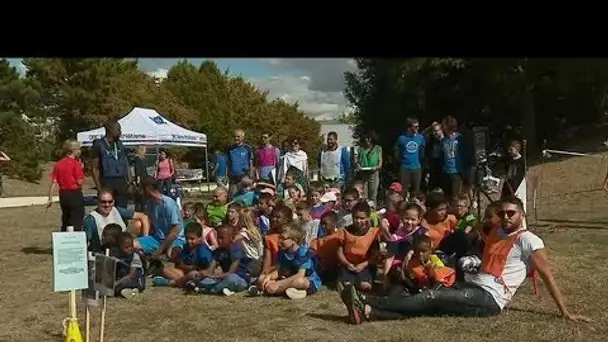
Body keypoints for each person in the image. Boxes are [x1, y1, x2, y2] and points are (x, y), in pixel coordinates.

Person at [338, 196, 592, 324]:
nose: (505, 217)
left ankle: (366, 300)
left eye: (511, 213)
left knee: (431, 298)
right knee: (432, 304)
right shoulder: (496, 231)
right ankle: (369, 313)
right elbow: (484, 222)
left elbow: (547, 275)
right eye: (502, 213)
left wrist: (565, 312)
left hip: (490, 298)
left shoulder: (530, 240)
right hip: (474, 285)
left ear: (522, 214)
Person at [255, 224, 322, 299]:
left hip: (306, 280)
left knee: (299, 281)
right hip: (288, 278)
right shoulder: (283, 252)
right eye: (280, 238)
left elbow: (300, 275)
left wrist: (278, 284)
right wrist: (268, 277)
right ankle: (292, 291)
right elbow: (281, 270)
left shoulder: (303, 253)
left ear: (294, 240)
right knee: (261, 278)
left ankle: (274, 290)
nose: (280, 241)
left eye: (283, 238)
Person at [83, 189, 150, 252]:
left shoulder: (117, 210)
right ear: (97, 202)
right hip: (103, 250)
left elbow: (143, 216)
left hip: (122, 245)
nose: (107, 205)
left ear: (114, 201)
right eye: (103, 202)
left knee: (138, 224)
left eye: (110, 201)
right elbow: (84, 241)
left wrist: (145, 239)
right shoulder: (91, 219)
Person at [135, 177, 185, 261]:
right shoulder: (150, 204)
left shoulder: (169, 204)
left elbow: (174, 232)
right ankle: (152, 258)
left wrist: (159, 250)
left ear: (148, 189)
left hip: (175, 239)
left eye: (141, 189)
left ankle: (158, 258)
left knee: (172, 253)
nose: (140, 192)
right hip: (158, 238)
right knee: (133, 244)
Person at [152, 222, 214, 288]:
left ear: (200, 238)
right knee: (166, 270)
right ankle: (186, 282)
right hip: (185, 274)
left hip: (199, 276)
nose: (189, 241)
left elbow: (206, 269)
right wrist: (187, 267)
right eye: (187, 238)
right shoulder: (186, 248)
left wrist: (190, 268)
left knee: (193, 275)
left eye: (192, 238)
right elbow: (179, 265)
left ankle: (171, 282)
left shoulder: (203, 250)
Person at [337, 202, 381, 292]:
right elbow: (339, 251)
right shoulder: (345, 231)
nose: (358, 220)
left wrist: (363, 265)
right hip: (348, 265)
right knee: (347, 285)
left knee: (365, 286)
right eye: (356, 217)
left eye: (362, 218)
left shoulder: (373, 233)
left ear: (368, 218)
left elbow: (375, 255)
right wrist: (346, 263)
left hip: (366, 266)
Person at [197, 225, 250, 296]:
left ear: (232, 238)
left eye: (222, 238)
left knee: (231, 278)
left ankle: (211, 290)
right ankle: (223, 288)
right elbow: (210, 270)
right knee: (202, 279)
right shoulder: (218, 251)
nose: (219, 240)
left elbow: (230, 273)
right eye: (218, 237)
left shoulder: (236, 250)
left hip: (239, 279)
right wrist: (203, 274)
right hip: (223, 279)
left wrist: (212, 276)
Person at [46, 139, 85, 231]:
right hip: (74, 193)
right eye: (78, 149)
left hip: (63, 194)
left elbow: (54, 182)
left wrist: (50, 198)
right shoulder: (76, 164)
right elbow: (79, 182)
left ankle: (64, 237)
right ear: (73, 151)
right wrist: (82, 169)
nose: (79, 151)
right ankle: (76, 240)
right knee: (77, 219)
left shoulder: (58, 164)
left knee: (66, 218)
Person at [91, 119, 130, 209]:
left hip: (121, 181)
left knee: (122, 210)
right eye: (118, 129)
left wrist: (128, 181)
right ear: (110, 130)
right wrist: (99, 188)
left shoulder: (119, 143)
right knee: (107, 210)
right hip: (107, 181)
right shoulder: (99, 144)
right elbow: (94, 168)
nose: (120, 132)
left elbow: (125, 163)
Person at [395, 117, 425, 198]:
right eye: (415, 127)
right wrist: (402, 161)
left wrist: (419, 161)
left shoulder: (420, 138)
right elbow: (396, 153)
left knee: (416, 191)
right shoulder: (401, 138)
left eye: (418, 126)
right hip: (405, 167)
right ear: (409, 128)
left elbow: (422, 152)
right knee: (403, 190)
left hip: (416, 167)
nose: (417, 128)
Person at [112, 232, 146, 299]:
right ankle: (126, 291)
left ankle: (133, 291)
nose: (130, 248)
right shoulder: (117, 255)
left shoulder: (135, 257)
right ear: (119, 247)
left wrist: (117, 282)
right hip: (122, 278)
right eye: (126, 247)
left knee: (122, 284)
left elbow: (131, 275)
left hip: (136, 280)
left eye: (131, 246)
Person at [440, 116, 467, 199]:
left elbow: (465, 153)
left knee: (457, 194)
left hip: (457, 168)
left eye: (444, 126)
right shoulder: (443, 140)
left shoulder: (459, 138)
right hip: (446, 169)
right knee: (448, 194)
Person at [356, 132, 383, 204]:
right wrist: (358, 166)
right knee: (364, 193)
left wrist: (376, 167)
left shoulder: (378, 148)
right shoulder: (361, 149)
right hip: (363, 172)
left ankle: (373, 209)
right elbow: (358, 160)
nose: (367, 140)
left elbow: (380, 162)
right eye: (366, 138)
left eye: (369, 138)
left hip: (373, 172)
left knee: (373, 193)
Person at [227, 129, 254, 197]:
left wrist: (251, 174)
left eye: (238, 136)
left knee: (244, 196)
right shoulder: (230, 148)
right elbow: (228, 162)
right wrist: (227, 174)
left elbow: (251, 161)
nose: (236, 138)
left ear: (243, 137)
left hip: (244, 176)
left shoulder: (247, 148)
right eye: (235, 136)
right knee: (232, 197)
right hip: (233, 178)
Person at [426, 122, 445, 191]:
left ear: (441, 130)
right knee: (432, 185)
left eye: (437, 131)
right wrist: (430, 127)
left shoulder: (445, 140)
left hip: (442, 164)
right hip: (433, 163)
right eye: (433, 131)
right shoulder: (430, 139)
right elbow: (421, 135)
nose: (435, 133)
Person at [132, 145, 149, 211]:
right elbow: (137, 168)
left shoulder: (143, 158)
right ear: (141, 150)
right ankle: (139, 208)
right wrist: (138, 179)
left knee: (143, 193)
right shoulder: (137, 158)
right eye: (145, 150)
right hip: (140, 178)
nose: (146, 151)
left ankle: (143, 207)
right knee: (139, 193)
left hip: (144, 177)